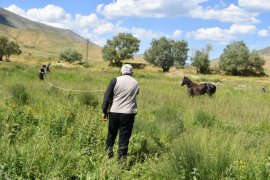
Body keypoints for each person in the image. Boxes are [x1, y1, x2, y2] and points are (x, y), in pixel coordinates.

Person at [102, 64, 139, 160]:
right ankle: (122, 160)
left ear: (121, 72)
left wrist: (104, 111)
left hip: (114, 112)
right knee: (124, 137)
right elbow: (137, 93)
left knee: (111, 134)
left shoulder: (114, 80)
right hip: (128, 114)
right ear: (132, 73)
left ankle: (108, 156)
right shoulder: (136, 82)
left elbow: (106, 98)